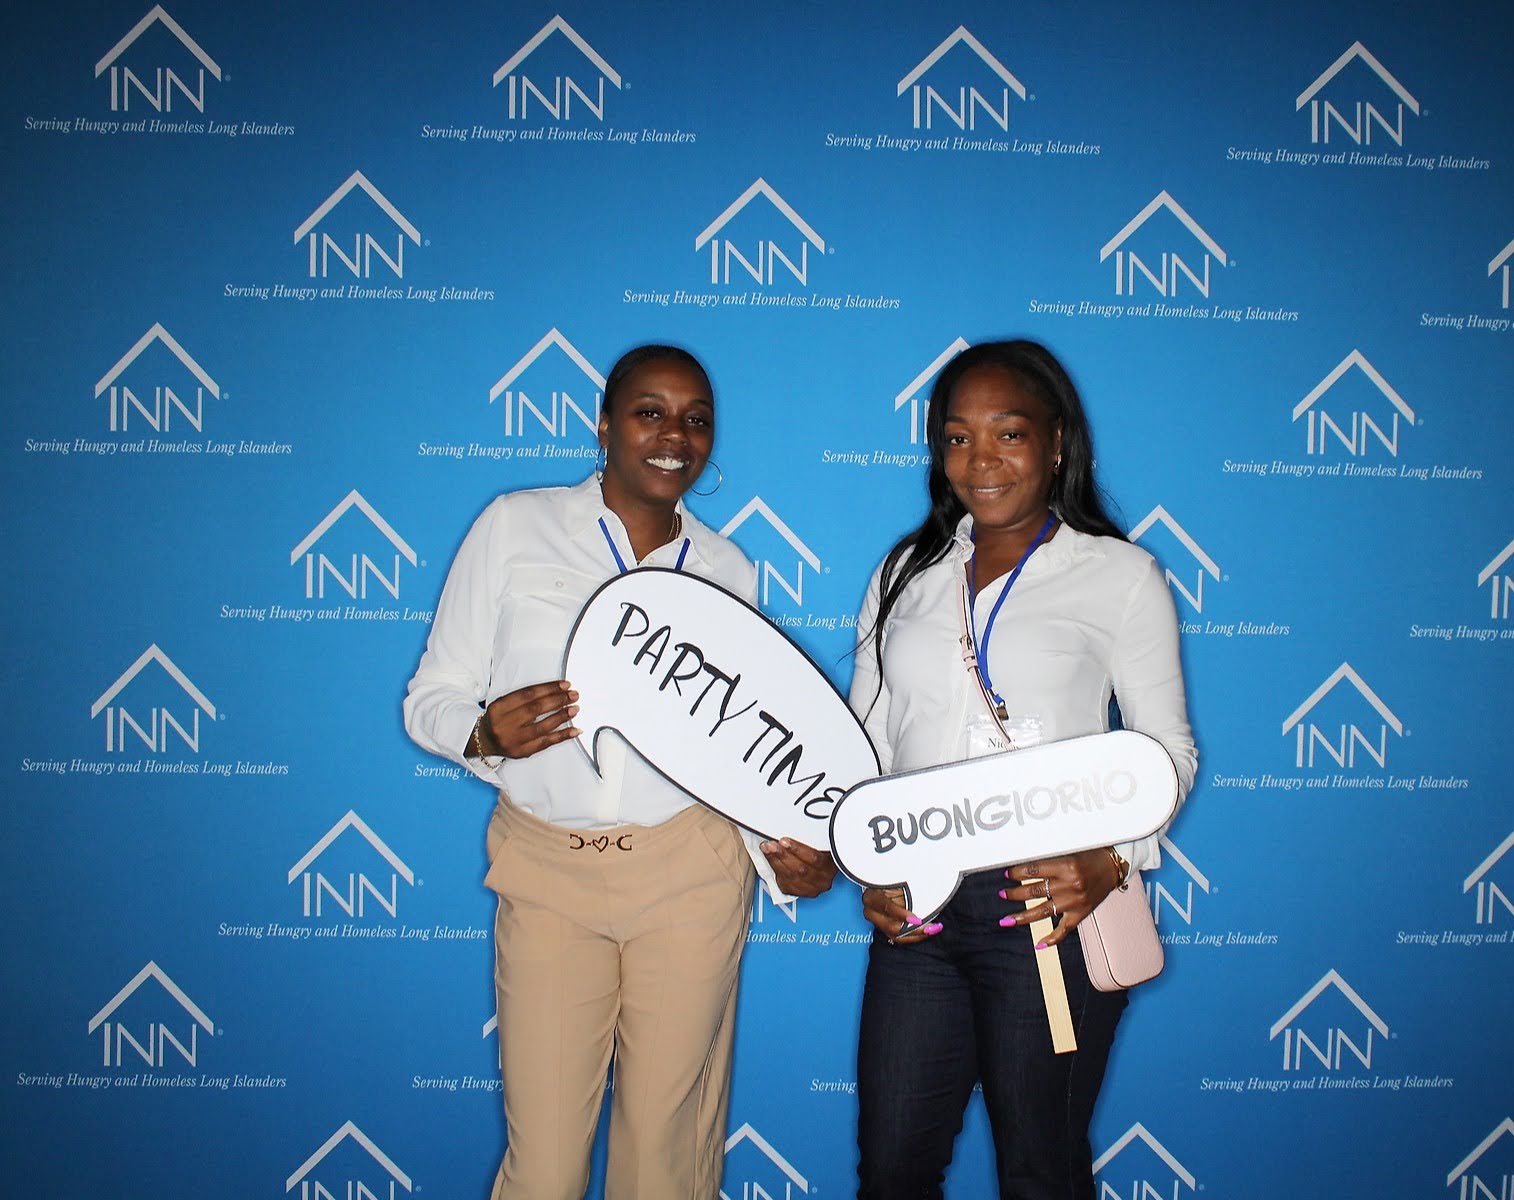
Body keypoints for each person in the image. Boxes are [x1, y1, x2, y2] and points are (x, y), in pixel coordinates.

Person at [404, 344, 835, 1200]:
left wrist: (788, 854)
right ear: (603, 426)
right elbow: (430, 698)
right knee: (545, 1166)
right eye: (650, 413)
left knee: (665, 1162)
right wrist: (483, 733)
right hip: (547, 874)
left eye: (696, 419)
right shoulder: (514, 527)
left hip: (689, 872)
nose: (675, 435)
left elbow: (735, 752)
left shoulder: (726, 569)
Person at [848, 339, 1197, 1200]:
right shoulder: (904, 575)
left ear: (1057, 442)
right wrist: (870, 867)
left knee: (1040, 1171)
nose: (981, 461)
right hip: (919, 915)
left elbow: (1168, 751)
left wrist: (1111, 860)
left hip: (1045, 909)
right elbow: (867, 748)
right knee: (891, 1170)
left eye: (1008, 434)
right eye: (957, 437)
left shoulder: (1119, 576)